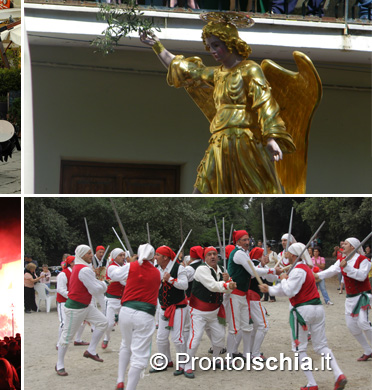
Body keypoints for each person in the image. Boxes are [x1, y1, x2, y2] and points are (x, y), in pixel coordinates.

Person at [139, 14, 315, 194]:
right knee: (201, 189)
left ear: (230, 43)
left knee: (259, 189)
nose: (212, 51)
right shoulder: (216, 74)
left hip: (246, 142)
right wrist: (157, 46)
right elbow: (183, 70)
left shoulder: (250, 69)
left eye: (216, 45)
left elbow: (264, 103)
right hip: (219, 142)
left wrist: (271, 138)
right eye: (209, 46)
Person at [262, 243, 347, 390]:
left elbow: (289, 290)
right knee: (321, 346)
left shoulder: (298, 270)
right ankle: (338, 374)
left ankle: (312, 384)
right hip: (317, 309)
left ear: (294, 255)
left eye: (288, 253)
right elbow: (285, 289)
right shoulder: (302, 269)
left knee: (299, 349)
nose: (285, 255)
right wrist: (269, 289)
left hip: (302, 310)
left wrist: (282, 278)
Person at [111, 244, 161, 390]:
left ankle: (120, 380)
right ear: (153, 256)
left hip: (126, 312)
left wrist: (113, 263)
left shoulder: (130, 267)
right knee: (139, 355)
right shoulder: (156, 272)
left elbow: (113, 274)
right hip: (144, 315)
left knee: (126, 344)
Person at [226, 230, 280, 361]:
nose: (247, 242)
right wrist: (271, 269)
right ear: (237, 241)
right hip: (235, 294)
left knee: (246, 326)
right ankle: (230, 356)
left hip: (243, 295)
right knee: (235, 327)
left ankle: (247, 354)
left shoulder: (244, 254)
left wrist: (269, 270)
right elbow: (253, 271)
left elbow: (252, 273)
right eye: (243, 240)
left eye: (247, 239)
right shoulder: (238, 253)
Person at [316, 237, 372, 361]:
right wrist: (315, 275)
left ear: (353, 246)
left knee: (363, 322)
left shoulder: (364, 260)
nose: (343, 245)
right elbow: (331, 271)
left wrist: (347, 267)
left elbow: (362, 276)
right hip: (350, 298)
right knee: (352, 326)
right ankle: (368, 350)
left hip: (363, 295)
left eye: (346, 243)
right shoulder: (341, 260)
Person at [55, 245, 108, 376]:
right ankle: (59, 364)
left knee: (103, 322)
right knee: (67, 337)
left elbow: (92, 286)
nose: (91, 255)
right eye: (89, 253)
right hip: (75, 308)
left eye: (91, 253)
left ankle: (91, 350)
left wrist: (97, 282)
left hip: (85, 305)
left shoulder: (82, 268)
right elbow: (95, 290)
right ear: (82, 255)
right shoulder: (83, 270)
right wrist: (104, 284)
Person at [183, 246, 234, 379]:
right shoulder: (201, 269)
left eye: (214, 254)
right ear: (204, 258)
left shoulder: (222, 269)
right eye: (209, 254)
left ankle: (216, 359)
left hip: (215, 311)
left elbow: (228, 291)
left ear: (218, 256)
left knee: (219, 338)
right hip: (198, 311)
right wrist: (228, 284)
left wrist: (229, 281)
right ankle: (187, 364)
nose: (212, 257)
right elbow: (212, 286)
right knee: (196, 338)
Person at [151, 245, 189, 375]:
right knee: (161, 337)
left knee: (177, 338)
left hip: (178, 307)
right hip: (163, 307)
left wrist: (171, 279)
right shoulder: (156, 269)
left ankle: (183, 363)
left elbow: (184, 285)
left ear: (165, 257)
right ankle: (164, 361)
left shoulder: (179, 268)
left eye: (157, 255)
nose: (155, 257)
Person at [55, 256, 90, 349]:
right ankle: (59, 343)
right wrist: (72, 296)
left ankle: (77, 339)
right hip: (64, 301)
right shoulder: (63, 274)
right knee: (64, 322)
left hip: (76, 301)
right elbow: (60, 289)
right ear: (71, 263)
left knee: (83, 321)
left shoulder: (79, 272)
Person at [102, 248, 127, 350]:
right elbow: (122, 281)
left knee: (125, 323)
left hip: (124, 300)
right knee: (109, 324)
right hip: (112, 299)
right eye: (120, 255)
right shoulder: (111, 267)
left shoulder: (125, 266)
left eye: (123, 255)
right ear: (115, 257)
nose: (122, 257)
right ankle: (106, 337)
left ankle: (126, 344)